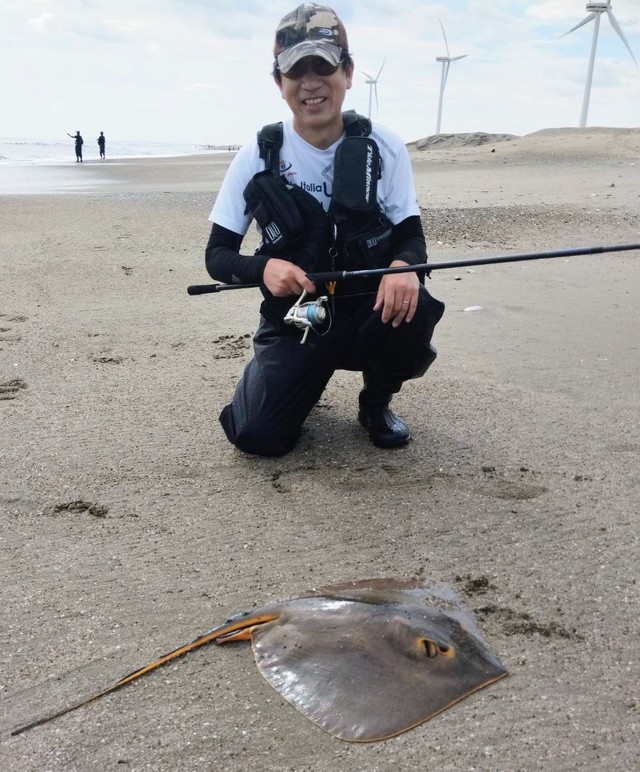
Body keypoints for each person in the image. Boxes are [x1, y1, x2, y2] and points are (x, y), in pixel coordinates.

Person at [204, 3, 444, 457]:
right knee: (257, 437)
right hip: (299, 317)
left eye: (323, 67)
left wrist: (404, 267)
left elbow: (412, 236)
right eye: (296, 71)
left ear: (348, 73)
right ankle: (297, 380)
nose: (310, 83)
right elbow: (217, 256)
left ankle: (376, 400)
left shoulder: (385, 146)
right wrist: (264, 268)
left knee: (414, 305)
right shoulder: (258, 153)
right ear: (279, 83)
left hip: (369, 310)